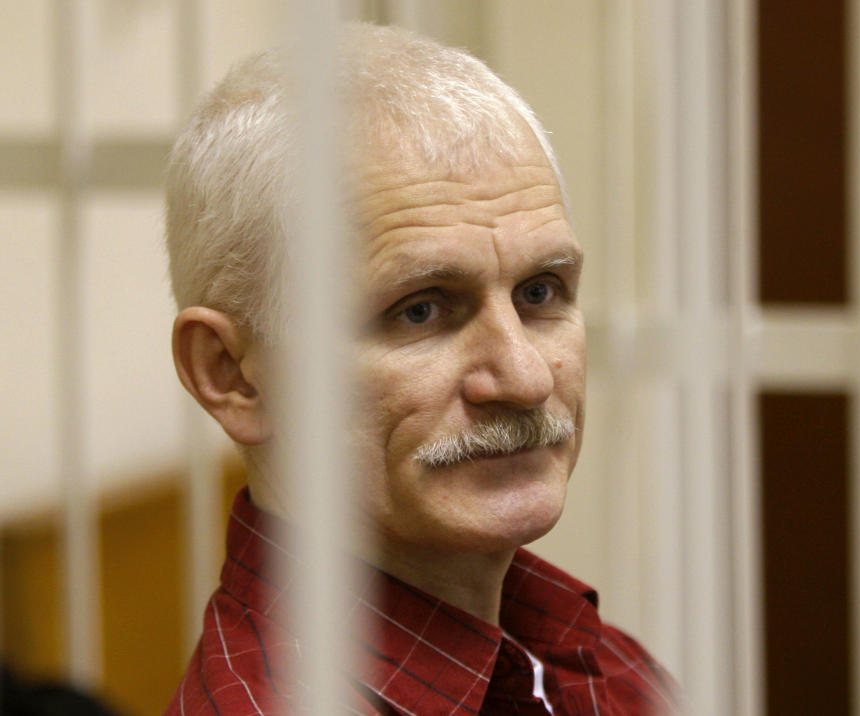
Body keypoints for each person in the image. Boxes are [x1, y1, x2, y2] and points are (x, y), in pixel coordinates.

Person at [164, 23, 679, 715]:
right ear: (233, 374)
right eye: (421, 310)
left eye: (539, 292)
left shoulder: (607, 668)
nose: (526, 379)